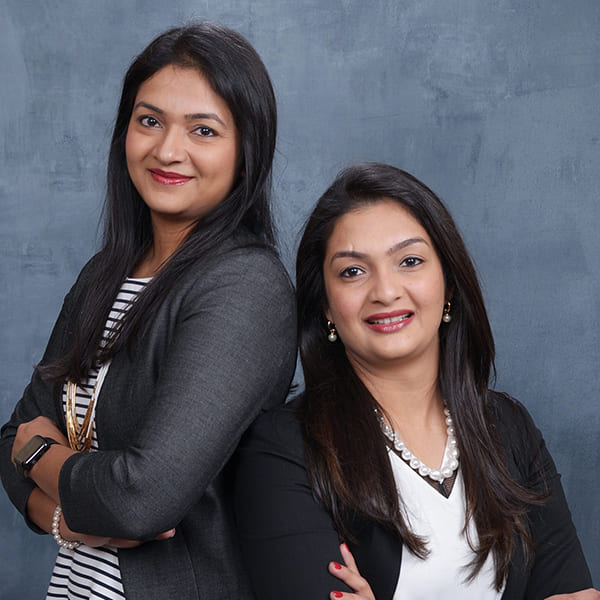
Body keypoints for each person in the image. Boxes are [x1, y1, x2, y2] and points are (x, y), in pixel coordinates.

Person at [0, 23, 296, 599]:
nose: (166, 150)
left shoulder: (245, 285)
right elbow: (8, 435)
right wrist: (64, 516)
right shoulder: (104, 276)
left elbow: (141, 498)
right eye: (149, 120)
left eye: (203, 130)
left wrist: (41, 453)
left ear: (245, 152)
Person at [234, 163, 597, 599]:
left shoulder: (507, 426)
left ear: (448, 283)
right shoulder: (284, 448)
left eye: (410, 261)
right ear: (326, 307)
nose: (385, 291)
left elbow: (576, 595)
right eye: (352, 271)